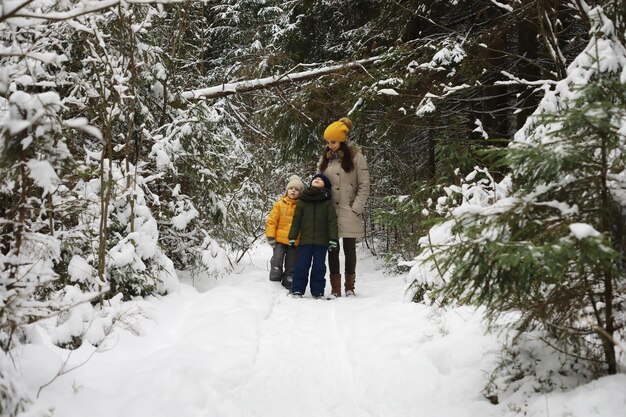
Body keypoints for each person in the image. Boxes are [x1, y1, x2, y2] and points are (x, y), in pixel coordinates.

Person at [319, 117, 370, 298]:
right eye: (328, 142)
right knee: (332, 249)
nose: (330, 145)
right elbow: (319, 183)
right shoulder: (325, 159)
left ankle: (349, 287)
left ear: (342, 140)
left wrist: (356, 207)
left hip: (349, 210)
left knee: (350, 249)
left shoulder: (357, 157)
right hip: (330, 212)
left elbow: (364, 185)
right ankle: (335, 289)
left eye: (333, 141)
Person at [288, 173, 338, 299]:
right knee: (302, 265)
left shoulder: (327, 202)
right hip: (305, 241)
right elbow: (296, 220)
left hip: (322, 242)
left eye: (321, 179)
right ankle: (297, 289)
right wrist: (292, 237)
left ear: (325, 186)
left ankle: (318, 291)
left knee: (319, 267)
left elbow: (332, 222)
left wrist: (333, 240)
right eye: (315, 178)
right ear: (310, 183)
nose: (317, 179)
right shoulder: (303, 200)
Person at [265, 175, 305, 289]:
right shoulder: (279, 204)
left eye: (297, 190)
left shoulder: (302, 206)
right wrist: (270, 236)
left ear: (300, 193)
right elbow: (272, 221)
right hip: (279, 240)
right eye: (291, 188)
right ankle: (274, 281)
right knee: (277, 259)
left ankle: (288, 282)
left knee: (292, 263)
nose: (293, 191)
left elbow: (304, 224)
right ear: (287, 190)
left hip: (295, 241)